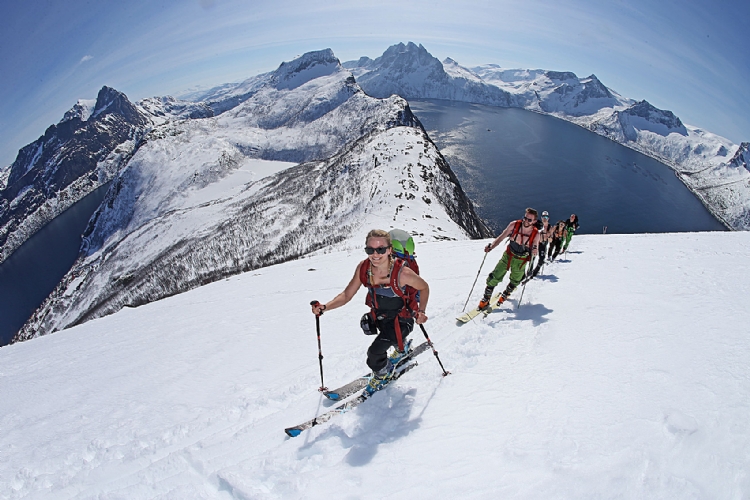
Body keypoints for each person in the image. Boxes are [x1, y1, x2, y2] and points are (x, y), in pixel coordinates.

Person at [311, 229, 429, 395]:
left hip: (403, 319)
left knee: (374, 353)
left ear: (389, 250)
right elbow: (346, 295)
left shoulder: (403, 273)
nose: (375, 254)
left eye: (380, 249)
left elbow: (424, 288)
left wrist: (422, 311)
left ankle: (383, 372)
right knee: (382, 332)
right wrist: (325, 307)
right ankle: (401, 348)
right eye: (370, 250)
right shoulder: (364, 268)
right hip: (381, 316)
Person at [477, 208, 541, 309]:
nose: (526, 221)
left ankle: (506, 293)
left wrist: (534, 252)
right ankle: (486, 299)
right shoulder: (514, 225)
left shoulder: (536, 234)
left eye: (529, 220)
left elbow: (535, 248)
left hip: (521, 259)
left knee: (516, 279)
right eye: (525, 218)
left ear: (534, 221)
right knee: (495, 275)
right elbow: (501, 237)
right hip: (509, 255)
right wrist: (491, 246)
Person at [527, 210, 551, 280]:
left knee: (542, 259)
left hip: (543, 244)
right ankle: (530, 270)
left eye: (546, 217)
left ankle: (535, 271)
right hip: (536, 243)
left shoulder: (549, 226)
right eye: (543, 216)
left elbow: (550, 236)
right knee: (532, 257)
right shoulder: (538, 225)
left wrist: (548, 236)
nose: (544, 218)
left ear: (548, 218)